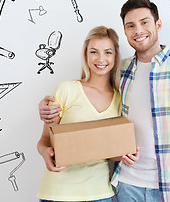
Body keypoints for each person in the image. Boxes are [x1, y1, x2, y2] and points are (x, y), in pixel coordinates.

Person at [39, 0, 170, 202]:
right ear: (125, 32)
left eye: (145, 22)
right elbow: (89, 98)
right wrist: (46, 107)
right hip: (126, 186)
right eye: (130, 25)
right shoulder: (120, 72)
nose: (138, 30)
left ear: (158, 24)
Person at [36, 26, 124, 202]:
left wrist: (126, 155)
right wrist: (46, 153)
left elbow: (112, 152)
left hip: (100, 193)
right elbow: (44, 140)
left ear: (115, 57)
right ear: (86, 55)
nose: (101, 59)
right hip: (58, 193)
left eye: (107, 52)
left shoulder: (121, 100)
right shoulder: (66, 90)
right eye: (94, 52)